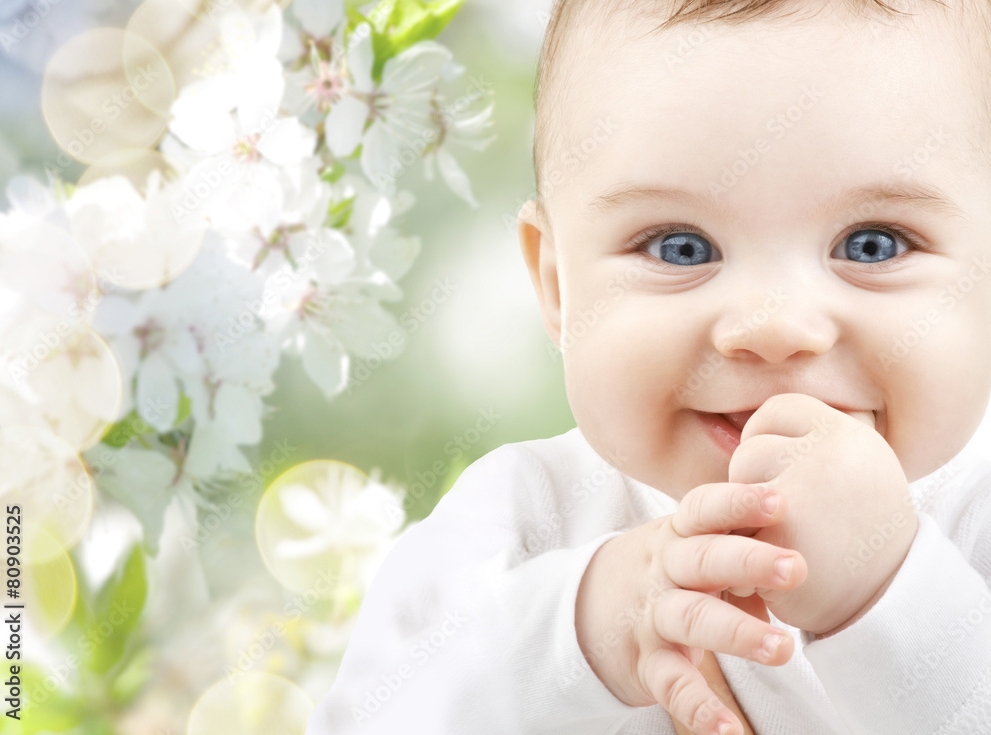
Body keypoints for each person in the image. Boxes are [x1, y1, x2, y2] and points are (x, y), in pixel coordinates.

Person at [304, 0, 991, 732]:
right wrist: (579, 636)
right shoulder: (523, 522)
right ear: (559, 287)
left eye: (873, 245)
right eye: (680, 248)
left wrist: (889, 592)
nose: (773, 328)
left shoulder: (974, 516)